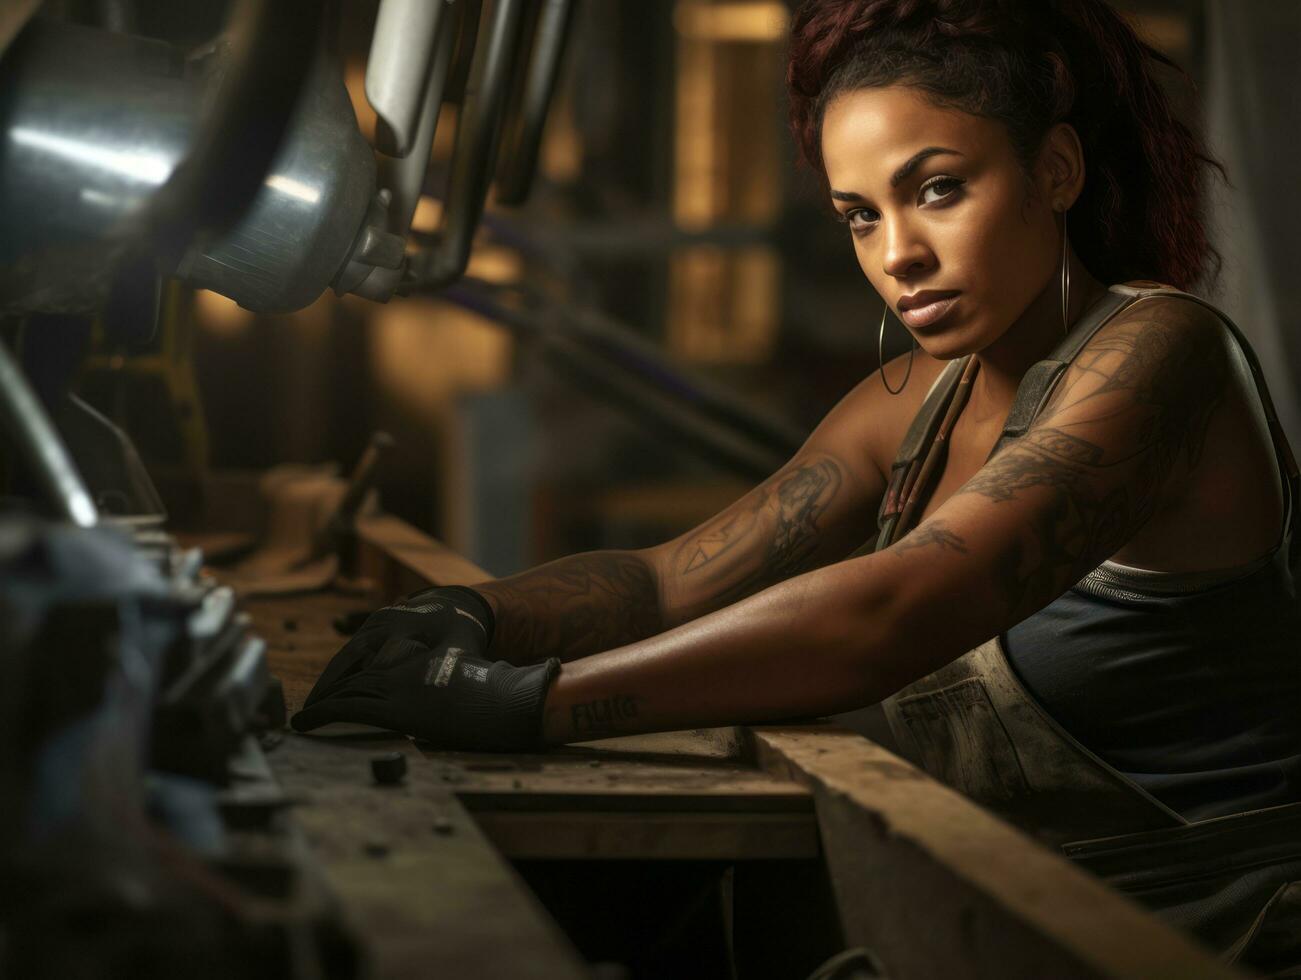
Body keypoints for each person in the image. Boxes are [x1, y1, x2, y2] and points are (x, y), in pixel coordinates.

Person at [293, 0, 1301, 962]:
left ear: (1054, 170)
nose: (898, 253)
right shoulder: (914, 400)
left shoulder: (1160, 353)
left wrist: (533, 702)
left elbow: (893, 610)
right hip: (1009, 923)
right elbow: (667, 580)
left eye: (937, 187)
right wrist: (465, 614)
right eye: (859, 216)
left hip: (1204, 940)